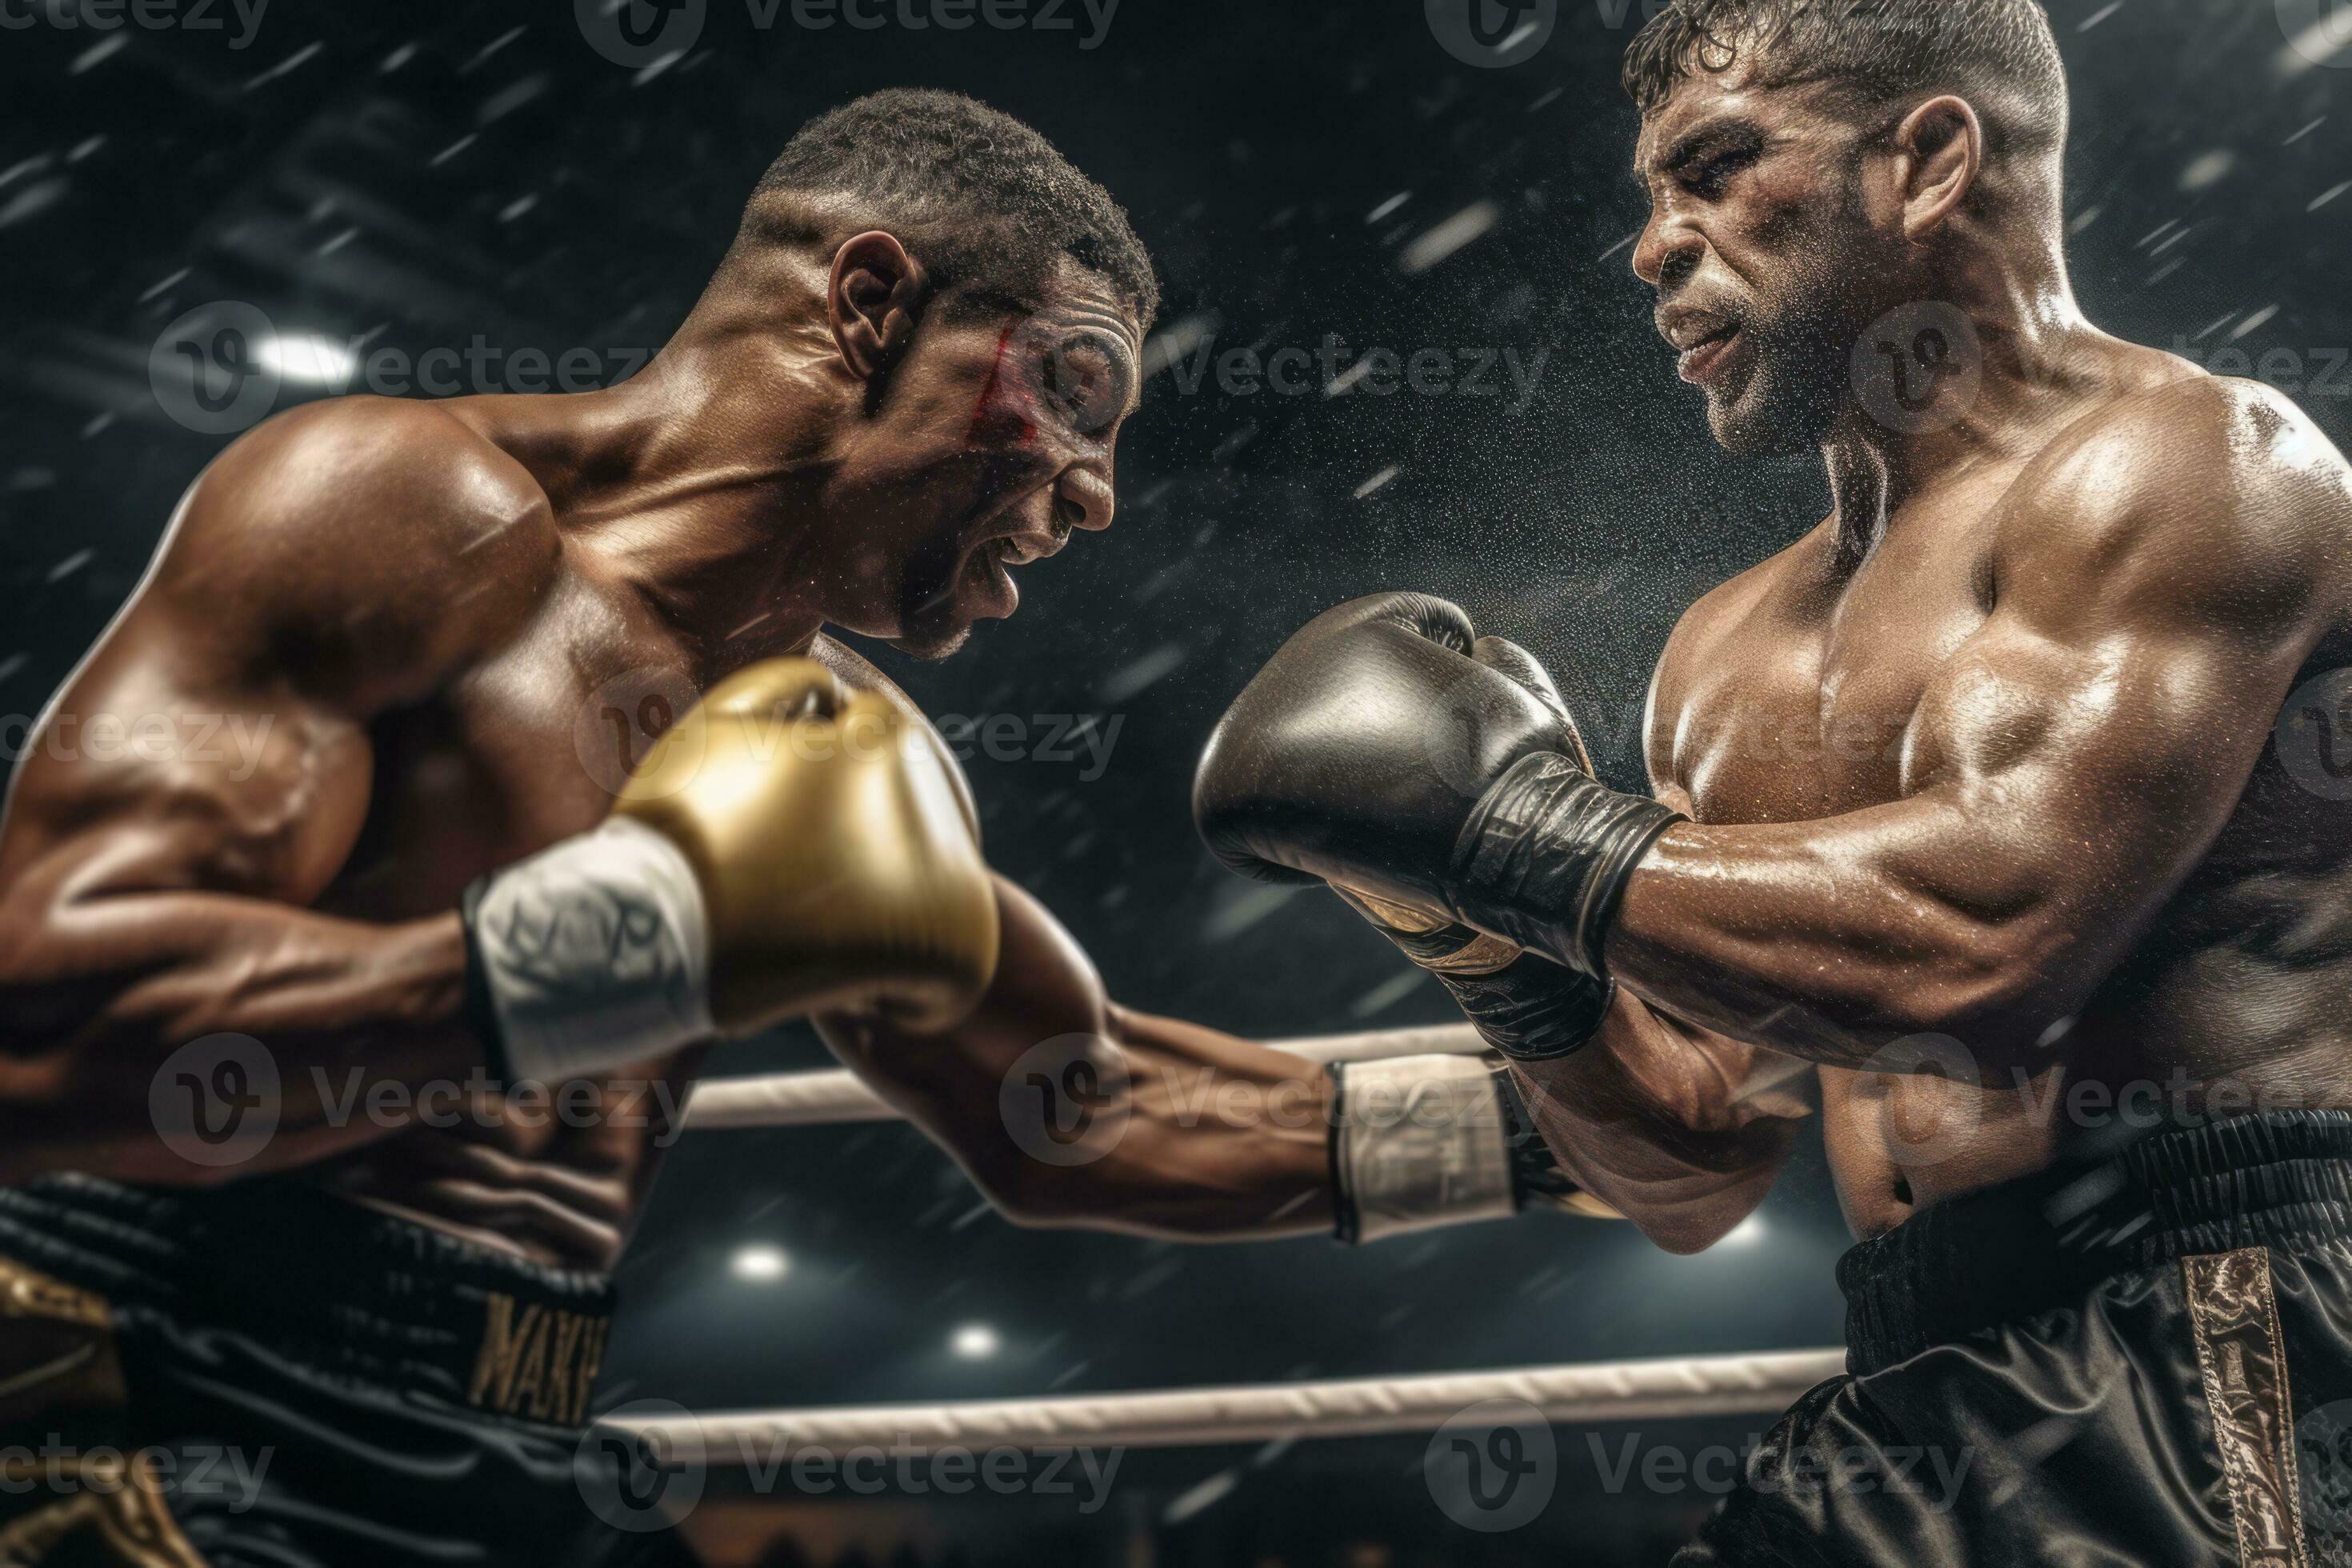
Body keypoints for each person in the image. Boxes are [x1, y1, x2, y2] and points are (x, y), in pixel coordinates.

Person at [0, 91, 1580, 1568]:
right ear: (871, 304)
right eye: (1078, 392)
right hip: (161, 1377)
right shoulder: (400, 506)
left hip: (511, 1439)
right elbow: (39, 1035)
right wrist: (644, 942)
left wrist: (1555, 1123)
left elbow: (1081, 1108)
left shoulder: (850, 749)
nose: (1101, 492)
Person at [1193, 2, 2352, 1562]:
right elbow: (1684, 1152)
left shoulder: (2194, 464)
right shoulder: (1720, 653)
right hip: (1915, 1353)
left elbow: (1979, 951)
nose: (1652, 248)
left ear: (1930, 160)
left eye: (1717, 171)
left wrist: (1508, 830)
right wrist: (1473, 934)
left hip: (2230, 1314)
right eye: (1650, 197)